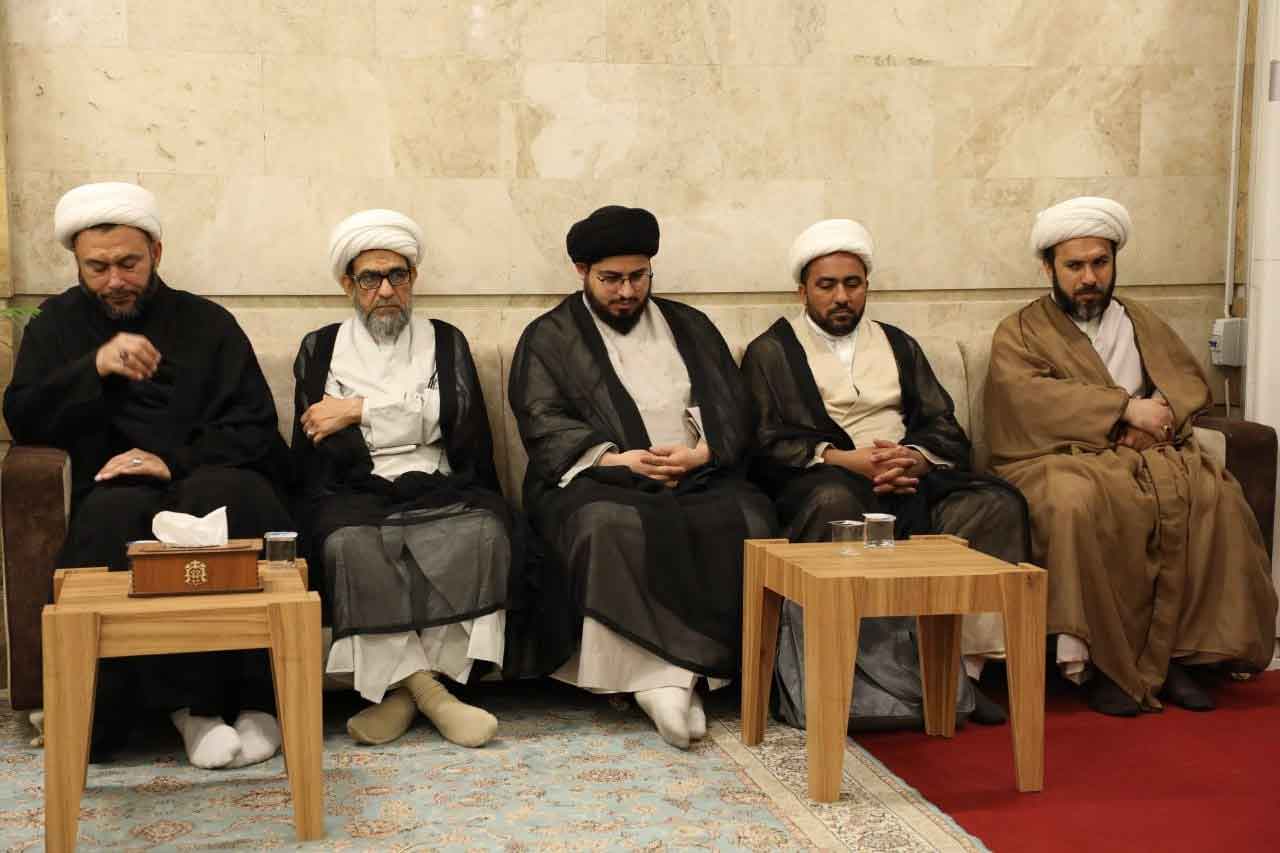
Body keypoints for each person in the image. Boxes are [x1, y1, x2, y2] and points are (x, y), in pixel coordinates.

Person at [4, 182, 294, 767]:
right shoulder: (55, 325)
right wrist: (93, 367)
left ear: (156, 253)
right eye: (98, 267)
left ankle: (259, 703)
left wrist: (173, 461)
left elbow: (256, 424)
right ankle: (190, 711)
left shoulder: (207, 322)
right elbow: (25, 415)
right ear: (77, 262)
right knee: (114, 517)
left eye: (129, 263)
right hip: (114, 482)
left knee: (235, 498)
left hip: (207, 468)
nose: (115, 280)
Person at [985, 196, 1278, 715]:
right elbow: (1025, 401)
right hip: (1057, 457)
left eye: (1100, 262)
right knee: (1074, 502)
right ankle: (1103, 664)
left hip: (1148, 454)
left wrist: (1154, 421)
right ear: (1048, 268)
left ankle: (1183, 658)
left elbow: (1185, 385)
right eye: (1074, 266)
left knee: (1215, 496)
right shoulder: (1021, 330)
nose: (1089, 277)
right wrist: (1122, 411)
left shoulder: (1141, 320)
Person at [292, 209, 572, 747]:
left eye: (397, 275)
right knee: (346, 543)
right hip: (353, 487)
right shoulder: (320, 347)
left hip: (442, 480)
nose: (386, 290)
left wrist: (357, 410)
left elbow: (458, 417)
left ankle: (407, 694)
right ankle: (432, 696)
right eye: (370, 279)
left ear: (414, 278)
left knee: (486, 531)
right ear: (348, 285)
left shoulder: (445, 339)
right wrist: (414, 411)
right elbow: (319, 428)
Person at [740, 218, 1028, 730]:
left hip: (908, 476)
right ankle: (848, 682)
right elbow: (763, 440)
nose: (841, 297)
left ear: (867, 286)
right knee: (836, 504)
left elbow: (942, 423)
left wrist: (913, 458)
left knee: (993, 505)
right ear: (802, 290)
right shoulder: (772, 351)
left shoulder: (898, 343)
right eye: (827, 285)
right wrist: (845, 459)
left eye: (852, 284)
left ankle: (962, 675)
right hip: (824, 477)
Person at [508, 205, 777, 749]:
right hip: (599, 476)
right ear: (581, 272)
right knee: (605, 525)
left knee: (749, 516)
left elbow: (733, 405)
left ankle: (690, 676)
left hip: (695, 473)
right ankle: (653, 681)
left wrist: (701, 455)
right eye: (611, 279)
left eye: (638, 276)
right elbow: (542, 421)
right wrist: (619, 460)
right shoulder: (550, 336)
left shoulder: (690, 326)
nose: (627, 291)